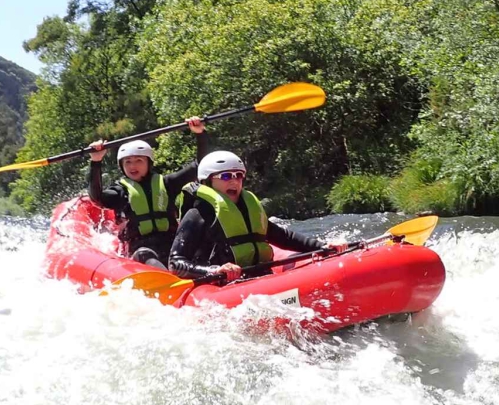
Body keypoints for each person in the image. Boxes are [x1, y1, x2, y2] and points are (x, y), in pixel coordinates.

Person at [169, 150, 343, 282]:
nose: (234, 181)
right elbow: (175, 263)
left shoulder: (248, 210)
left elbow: (285, 237)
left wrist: (323, 247)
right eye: (226, 176)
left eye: (239, 175)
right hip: (220, 284)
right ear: (207, 182)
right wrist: (214, 270)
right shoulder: (197, 215)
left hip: (257, 277)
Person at [88, 117, 207, 268]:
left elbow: (200, 166)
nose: (133, 166)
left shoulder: (167, 184)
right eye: (128, 162)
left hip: (172, 244)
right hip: (140, 249)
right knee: (145, 255)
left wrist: (200, 134)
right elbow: (96, 197)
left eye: (139, 160)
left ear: (149, 163)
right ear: (122, 166)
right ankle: (167, 277)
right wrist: (96, 161)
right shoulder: (120, 192)